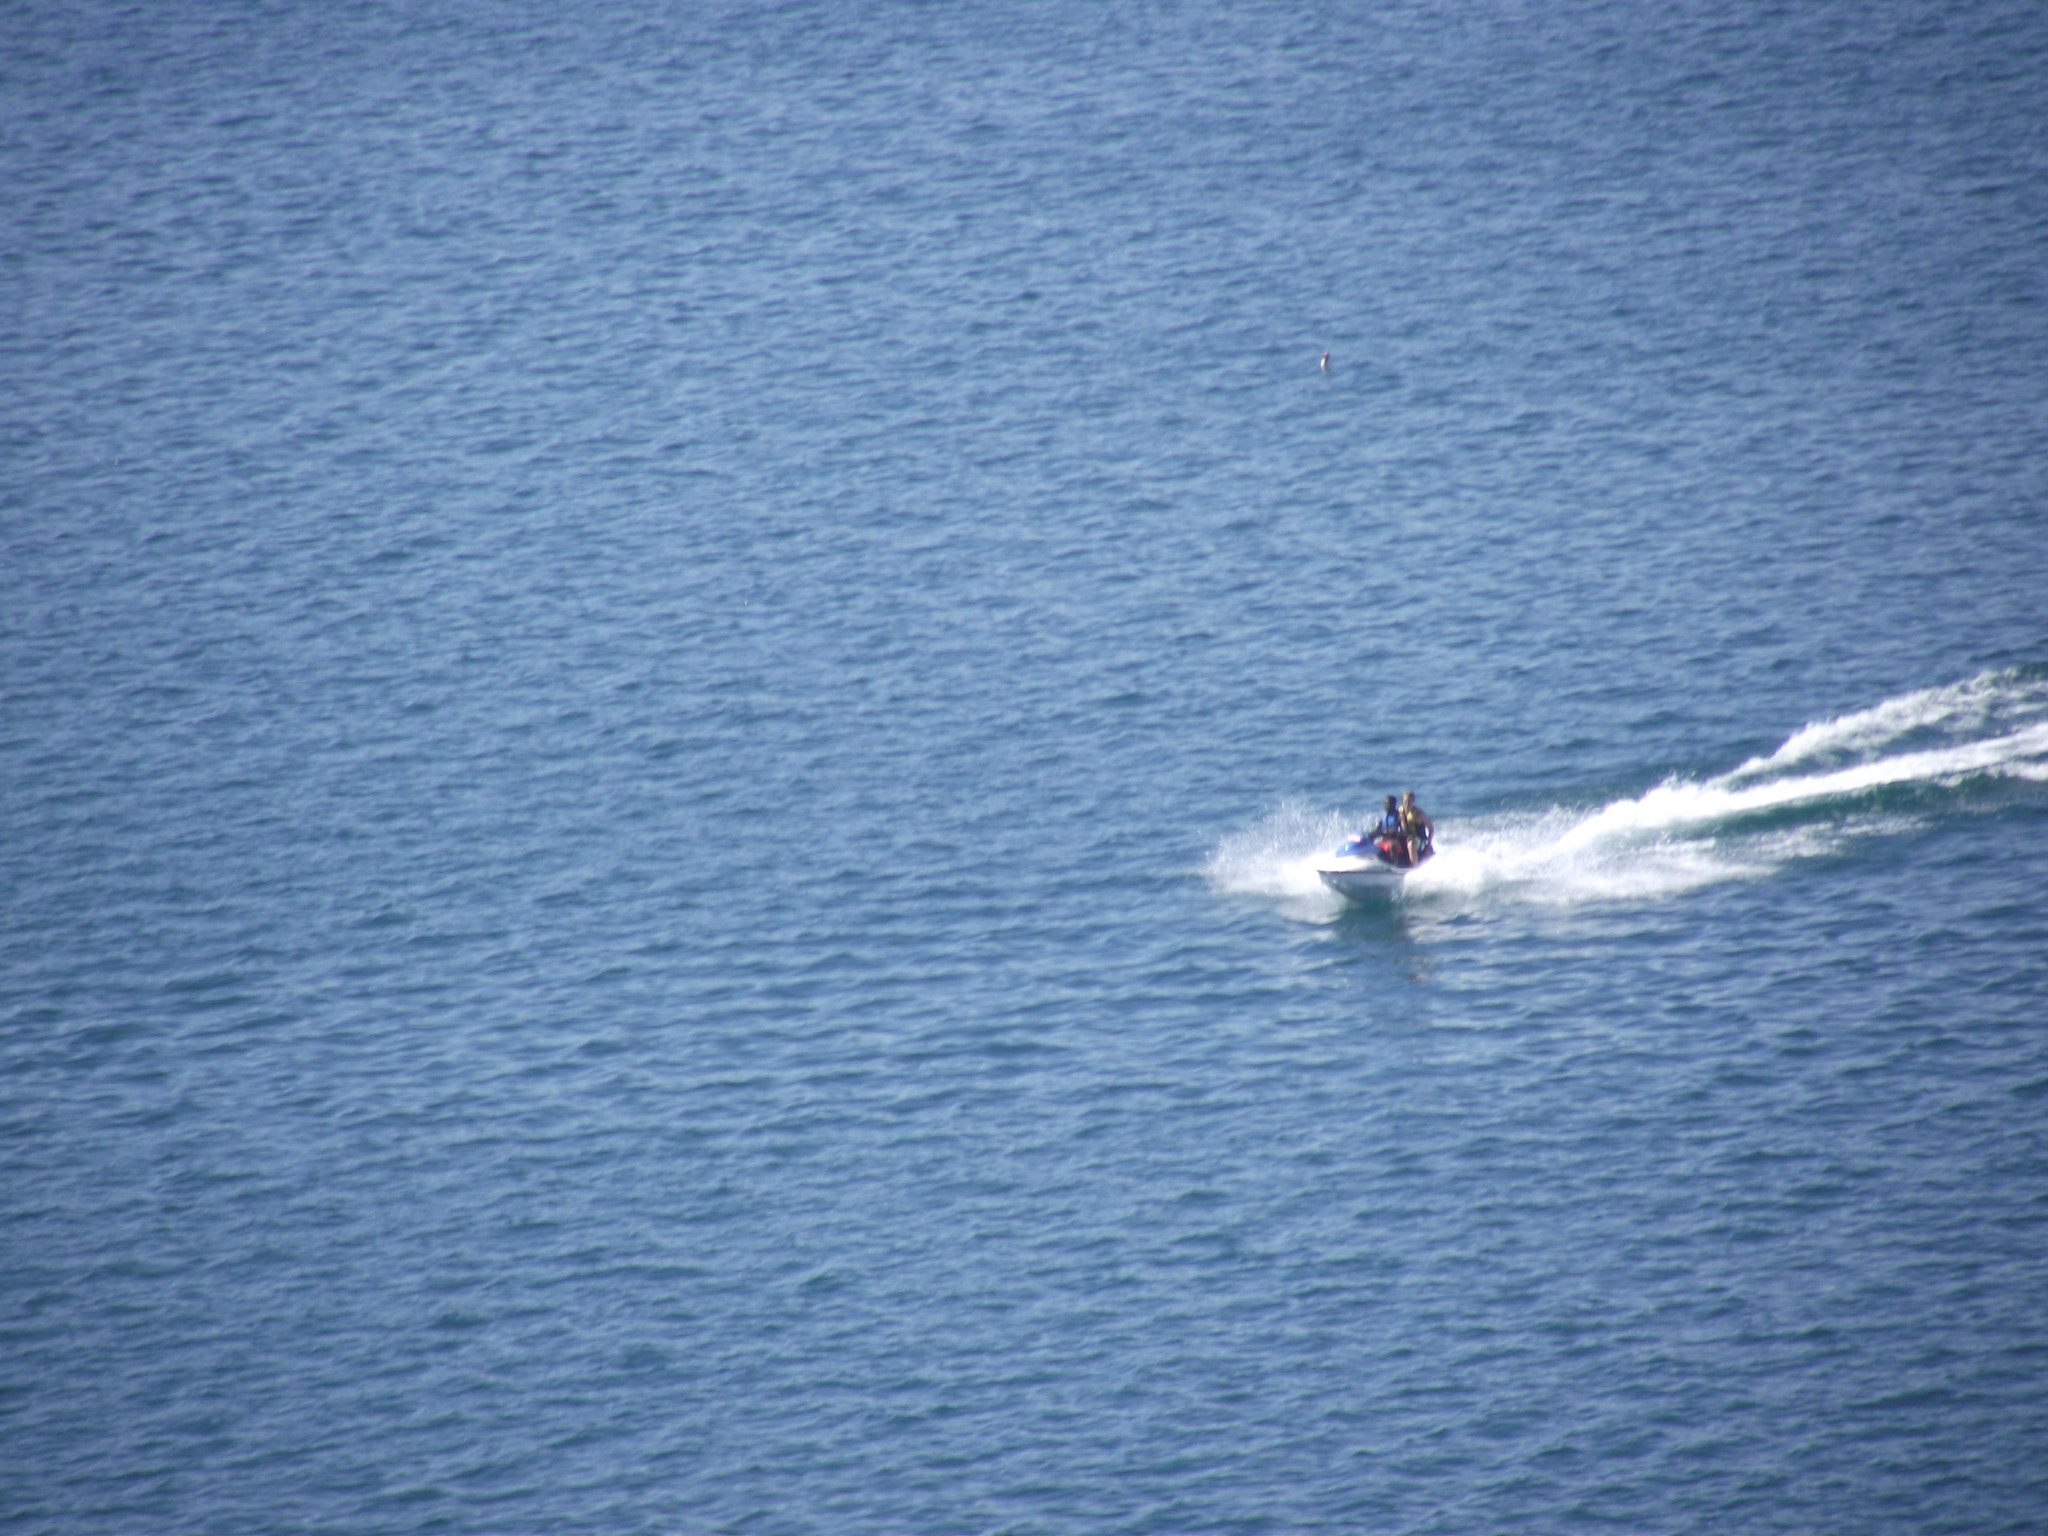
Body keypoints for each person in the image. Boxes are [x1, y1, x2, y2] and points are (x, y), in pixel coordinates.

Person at [1398, 790, 1434, 865]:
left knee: (1411, 844)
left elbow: (1431, 829)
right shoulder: (1400, 813)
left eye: (1409, 802)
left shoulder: (1419, 815)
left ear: (1413, 802)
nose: (1407, 804)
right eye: (1405, 801)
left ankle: (1414, 868)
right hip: (1406, 838)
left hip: (1420, 841)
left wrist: (1428, 845)